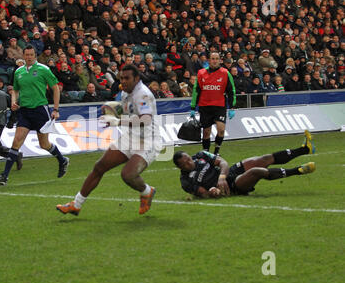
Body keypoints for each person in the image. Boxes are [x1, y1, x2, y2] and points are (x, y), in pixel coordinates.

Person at [56, 65, 162, 216]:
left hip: (148, 140)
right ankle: (76, 204)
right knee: (99, 166)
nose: (123, 82)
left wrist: (118, 122)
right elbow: (128, 110)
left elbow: (145, 119)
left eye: (127, 78)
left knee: (128, 175)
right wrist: (111, 110)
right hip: (131, 136)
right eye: (121, 78)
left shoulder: (143, 94)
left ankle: (147, 191)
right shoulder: (126, 93)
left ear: (136, 79)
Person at [0, 45, 69, 186]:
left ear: (35, 55)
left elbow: (55, 88)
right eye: (26, 54)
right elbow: (15, 90)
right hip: (25, 112)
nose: (28, 57)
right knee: (16, 142)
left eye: (31, 55)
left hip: (40, 110)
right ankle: (4, 176)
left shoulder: (43, 69)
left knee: (44, 144)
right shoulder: (19, 72)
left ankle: (62, 160)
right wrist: (14, 102)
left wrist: (56, 109)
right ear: (23, 55)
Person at [173, 130, 316, 198]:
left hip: (230, 173)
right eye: (185, 163)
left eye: (188, 159)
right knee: (257, 171)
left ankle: (305, 149)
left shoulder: (200, 155)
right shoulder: (186, 181)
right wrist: (213, 192)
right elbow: (203, 194)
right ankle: (298, 170)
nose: (189, 162)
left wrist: (222, 176)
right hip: (233, 186)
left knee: (263, 159)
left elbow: (222, 162)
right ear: (180, 167)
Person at [190, 52, 236, 155]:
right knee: (206, 132)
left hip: (219, 106)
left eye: (216, 58)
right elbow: (196, 90)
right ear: (209, 60)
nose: (214, 61)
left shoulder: (225, 73)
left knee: (221, 130)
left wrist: (232, 107)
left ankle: (216, 151)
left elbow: (231, 90)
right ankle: (206, 152)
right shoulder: (201, 73)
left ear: (220, 60)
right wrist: (193, 107)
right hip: (205, 106)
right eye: (212, 58)